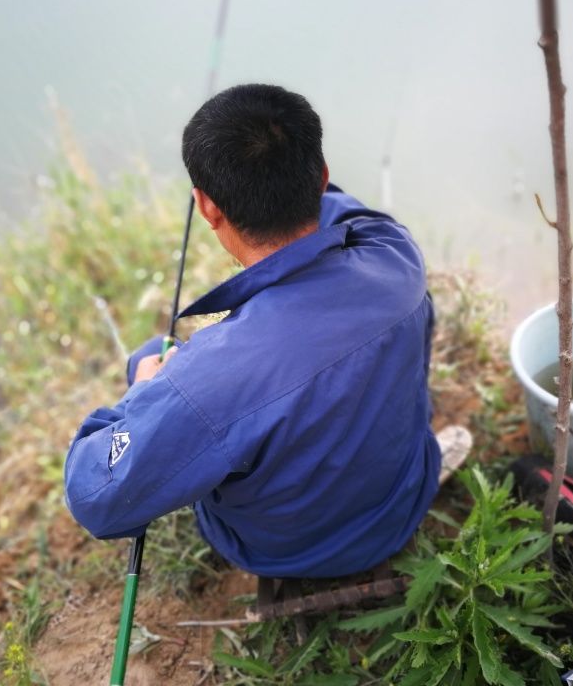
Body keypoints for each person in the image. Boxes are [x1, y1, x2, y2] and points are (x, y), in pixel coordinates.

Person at [64, 84, 441, 578]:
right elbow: (340, 209)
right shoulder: (394, 253)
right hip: (405, 497)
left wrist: (147, 389)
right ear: (323, 176)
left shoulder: (208, 382)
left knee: (148, 357)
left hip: (293, 554)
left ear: (206, 207)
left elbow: (93, 495)